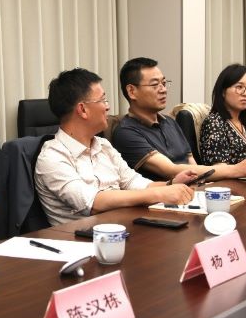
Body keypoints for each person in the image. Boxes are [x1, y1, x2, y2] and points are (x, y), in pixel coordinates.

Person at [34, 67, 199, 225]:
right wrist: (158, 194)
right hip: (79, 238)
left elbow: (133, 182)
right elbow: (93, 202)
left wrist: (171, 184)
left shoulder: (103, 145)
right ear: (83, 109)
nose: (108, 107)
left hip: (122, 227)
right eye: (102, 100)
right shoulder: (52, 157)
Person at [112, 57, 246, 181]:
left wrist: (202, 185)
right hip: (162, 201)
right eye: (155, 85)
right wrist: (235, 170)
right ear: (132, 91)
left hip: (192, 193)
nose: (163, 90)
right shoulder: (126, 132)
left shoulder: (170, 122)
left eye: (164, 83)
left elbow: (193, 165)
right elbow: (171, 170)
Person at [199, 64, 246, 171]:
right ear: (223, 92)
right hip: (230, 181)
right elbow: (218, 168)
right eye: (239, 87)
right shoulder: (214, 122)